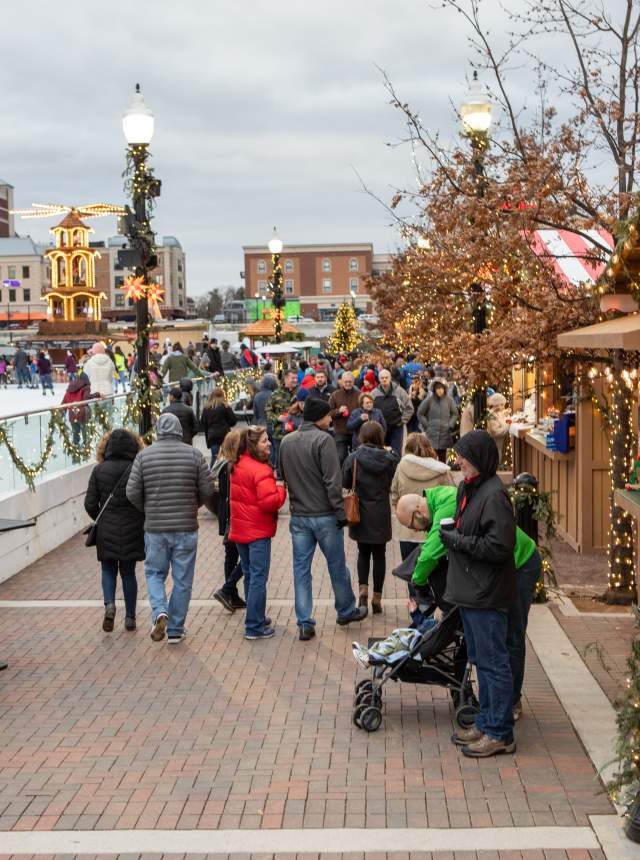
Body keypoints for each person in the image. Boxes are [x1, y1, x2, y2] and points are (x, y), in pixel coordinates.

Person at [438, 430, 517, 758]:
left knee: (493, 663)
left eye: (464, 458)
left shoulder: (494, 496)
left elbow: (500, 546)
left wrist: (459, 542)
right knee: (481, 661)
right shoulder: (469, 489)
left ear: (480, 460)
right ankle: (487, 722)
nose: (459, 463)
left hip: (486, 592)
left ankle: (499, 732)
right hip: (473, 589)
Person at [279, 397, 367, 641]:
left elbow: (282, 474)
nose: (331, 419)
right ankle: (346, 610)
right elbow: (332, 482)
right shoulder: (324, 440)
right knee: (337, 566)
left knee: (301, 570)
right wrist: (340, 514)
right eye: (328, 416)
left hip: (299, 516)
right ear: (319, 418)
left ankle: (305, 621)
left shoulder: (286, 442)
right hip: (325, 516)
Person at [126, 413, 215, 644]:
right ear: (179, 431)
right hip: (186, 525)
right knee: (183, 579)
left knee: (154, 573)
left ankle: (159, 611)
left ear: (157, 430)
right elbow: (207, 490)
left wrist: (148, 509)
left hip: (155, 527)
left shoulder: (144, 456)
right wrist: (193, 506)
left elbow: (131, 492)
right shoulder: (194, 455)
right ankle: (175, 628)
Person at [228, 426, 287, 639]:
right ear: (253, 444)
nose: (269, 443)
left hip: (241, 529)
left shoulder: (237, 464)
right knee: (258, 578)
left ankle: (256, 616)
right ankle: (254, 625)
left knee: (250, 575)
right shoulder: (260, 470)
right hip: (257, 531)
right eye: (264, 441)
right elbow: (269, 502)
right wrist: (281, 490)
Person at [84, 429, 145, 633]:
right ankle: (130, 617)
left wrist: (102, 517)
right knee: (128, 572)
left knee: (108, 570)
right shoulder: (136, 468)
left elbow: (90, 503)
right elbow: (142, 499)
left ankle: (109, 604)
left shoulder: (99, 470)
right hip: (132, 527)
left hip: (106, 528)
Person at [342, 421, 398, 613]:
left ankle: (363, 592)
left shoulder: (354, 457)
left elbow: (346, 481)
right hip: (381, 511)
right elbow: (394, 479)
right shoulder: (390, 459)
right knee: (380, 554)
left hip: (361, 511)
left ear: (362, 436)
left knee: (363, 552)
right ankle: (377, 598)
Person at [391, 432, 455, 561]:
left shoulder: (402, 467)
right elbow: (453, 499)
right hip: (434, 533)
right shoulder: (442, 470)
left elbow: (394, 496)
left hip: (407, 531)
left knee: (411, 574)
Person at [212, 429, 247, 613]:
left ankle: (231, 595)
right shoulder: (235, 467)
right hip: (237, 518)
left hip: (228, 518)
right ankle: (228, 590)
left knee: (231, 556)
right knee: (248, 558)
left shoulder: (224, 466)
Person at [371, 368, 413, 456]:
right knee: (380, 452)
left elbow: (409, 408)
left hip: (396, 428)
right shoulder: (374, 394)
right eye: (382, 378)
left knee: (396, 453)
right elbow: (370, 409)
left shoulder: (400, 392)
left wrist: (402, 421)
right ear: (379, 379)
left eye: (386, 377)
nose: (384, 379)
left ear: (390, 378)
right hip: (380, 429)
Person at [266, 369, 299, 473]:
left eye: (296, 378)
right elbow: (268, 412)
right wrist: (277, 418)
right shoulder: (275, 394)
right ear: (285, 379)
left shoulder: (300, 392)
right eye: (292, 378)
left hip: (296, 433)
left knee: (296, 460)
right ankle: (280, 480)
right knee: (281, 460)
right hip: (279, 434)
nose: (295, 380)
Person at [417, 380, 459, 462]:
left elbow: (455, 414)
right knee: (432, 456)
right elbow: (420, 413)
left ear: (445, 389)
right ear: (434, 390)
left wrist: (450, 425)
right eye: (438, 388)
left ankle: (442, 472)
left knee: (443, 456)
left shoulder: (449, 400)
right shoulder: (429, 400)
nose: (440, 390)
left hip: (445, 432)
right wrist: (427, 425)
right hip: (432, 433)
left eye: (441, 388)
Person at [328, 371, 361, 465]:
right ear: (342, 382)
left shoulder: (359, 394)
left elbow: (364, 410)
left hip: (356, 431)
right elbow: (328, 413)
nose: (348, 384)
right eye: (346, 381)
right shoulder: (335, 395)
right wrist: (338, 411)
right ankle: (341, 478)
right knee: (340, 457)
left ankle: (354, 478)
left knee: (356, 458)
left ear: (353, 382)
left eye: (350, 381)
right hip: (340, 431)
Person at [200, 387, 238, 465]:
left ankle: (213, 474)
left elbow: (203, 422)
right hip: (225, 434)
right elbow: (233, 420)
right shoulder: (225, 406)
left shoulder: (206, 408)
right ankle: (225, 473)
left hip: (213, 435)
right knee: (227, 455)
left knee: (214, 456)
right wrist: (227, 424)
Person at [61, 371, 95, 453]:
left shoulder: (70, 388)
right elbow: (86, 398)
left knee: (75, 435)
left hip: (72, 414)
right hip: (83, 413)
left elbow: (64, 402)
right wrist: (97, 394)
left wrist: (61, 414)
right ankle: (86, 453)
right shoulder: (85, 387)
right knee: (85, 435)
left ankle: (75, 453)